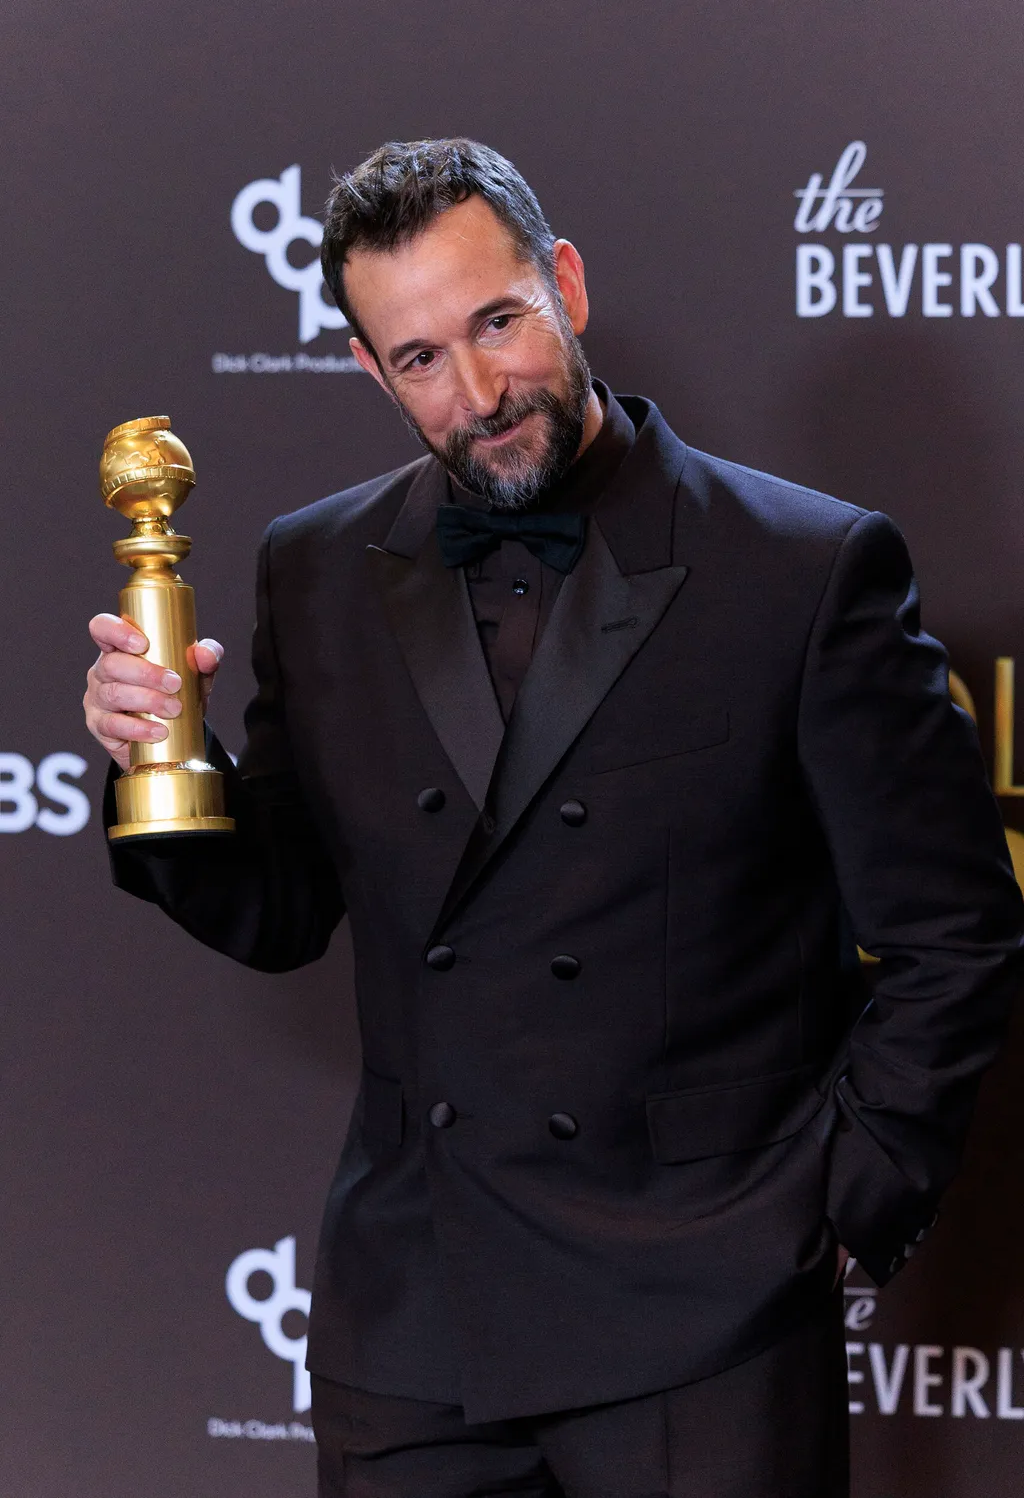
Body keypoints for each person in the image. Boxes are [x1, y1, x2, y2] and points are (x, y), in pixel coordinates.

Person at [83, 138, 1024, 1497]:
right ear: (368, 370)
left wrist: (833, 1207)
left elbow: (955, 934)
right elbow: (280, 908)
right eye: (419, 360)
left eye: (499, 322)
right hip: (413, 1319)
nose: (477, 393)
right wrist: (157, 764)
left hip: (704, 1316)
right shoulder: (318, 565)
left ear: (563, 283)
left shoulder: (802, 567)